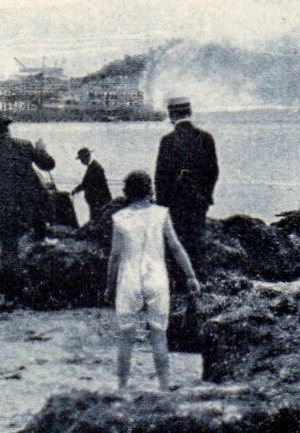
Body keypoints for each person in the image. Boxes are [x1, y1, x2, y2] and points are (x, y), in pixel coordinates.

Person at [107, 170, 202, 392]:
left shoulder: (120, 218)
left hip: (129, 278)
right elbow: (176, 247)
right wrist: (191, 276)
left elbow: (115, 256)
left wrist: (110, 285)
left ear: (127, 192)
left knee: (126, 335)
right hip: (156, 277)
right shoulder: (161, 214)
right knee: (158, 333)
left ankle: (121, 388)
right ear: (150, 190)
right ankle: (164, 386)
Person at [0, 110, 56, 257]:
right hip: (31, 211)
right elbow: (48, 165)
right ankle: (42, 238)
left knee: (9, 252)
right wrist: (42, 150)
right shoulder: (25, 145)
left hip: (4, 213)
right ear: (8, 128)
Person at [153, 96, 220, 256]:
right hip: (198, 201)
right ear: (189, 112)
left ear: (171, 115)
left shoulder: (168, 140)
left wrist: (162, 204)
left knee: (177, 244)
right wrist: (206, 196)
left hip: (175, 202)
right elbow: (213, 172)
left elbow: (161, 176)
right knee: (197, 242)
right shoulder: (206, 137)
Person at [72, 147, 112, 223]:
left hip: (99, 203)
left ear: (87, 157)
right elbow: (85, 184)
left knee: (97, 223)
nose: (81, 162)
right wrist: (76, 190)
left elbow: (96, 186)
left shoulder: (96, 168)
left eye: (81, 159)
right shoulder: (92, 167)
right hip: (95, 203)